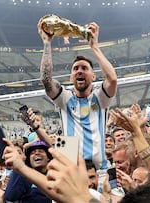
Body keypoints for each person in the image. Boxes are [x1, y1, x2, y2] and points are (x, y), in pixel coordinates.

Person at [37, 19, 117, 170]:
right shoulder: (65, 98)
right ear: (71, 77)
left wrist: (94, 46)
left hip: (100, 171)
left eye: (84, 68)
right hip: (73, 172)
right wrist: (47, 43)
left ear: (93, 76)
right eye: (75, 69)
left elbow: (112, 79)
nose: (79, 71)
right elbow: (46, 80)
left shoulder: (100, 98)